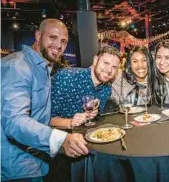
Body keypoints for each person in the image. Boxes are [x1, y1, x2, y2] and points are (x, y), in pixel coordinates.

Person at [1, 19, 89, 182]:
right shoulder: (17, 66)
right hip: (17, 169)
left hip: (37, 162)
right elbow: (14, 121)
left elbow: (40, 117)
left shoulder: (43, 67)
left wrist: (70, 122)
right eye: (53, 37)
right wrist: (61, 140)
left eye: (63, 41)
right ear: (38, 35)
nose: (59, 45)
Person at [51, 45, 122, 125]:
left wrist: (94, 113)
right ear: (95, 60)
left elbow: (95, 117)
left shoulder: (106, 89)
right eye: (106, 63)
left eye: (114, 67)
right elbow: (43, 119)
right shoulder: (66, 77)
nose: (109, 70)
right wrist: (70, 122)